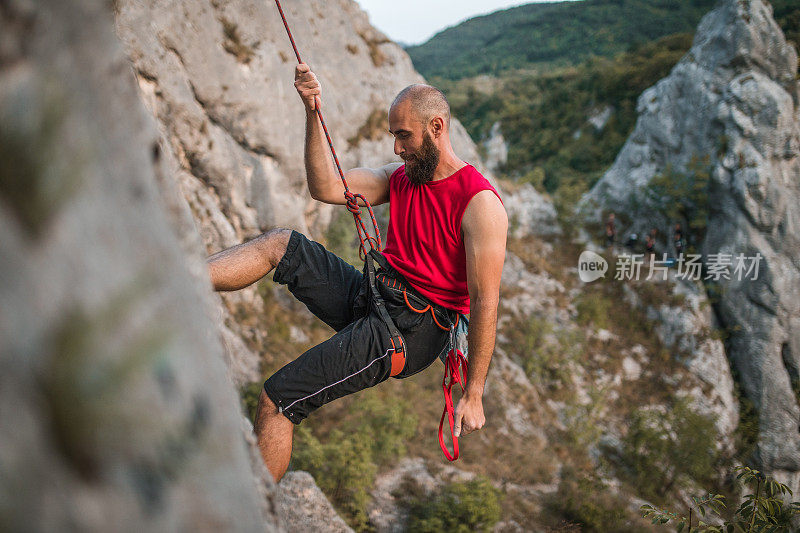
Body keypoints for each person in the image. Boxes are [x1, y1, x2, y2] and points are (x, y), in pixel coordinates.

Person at [206, 63, 508, 482]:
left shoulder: (480, 204)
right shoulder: (400, 178)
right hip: (376, 296)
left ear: (436, 127)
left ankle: (254, 517)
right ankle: (181, 279)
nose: (398, 148)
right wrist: (313, 113)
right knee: (280, 244)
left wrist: (473, 393)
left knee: (278, 400)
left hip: (412, 328)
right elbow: (326, 187)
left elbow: (485, 302)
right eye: (394, 137)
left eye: (404, 135)